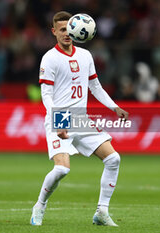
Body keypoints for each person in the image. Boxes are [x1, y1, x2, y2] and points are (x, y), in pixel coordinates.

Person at [30, 11, 128, 226]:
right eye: (62, 29)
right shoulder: (50, 58)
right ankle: (40, 205)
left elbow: (95, 87)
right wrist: (59, 121)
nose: (67, 33)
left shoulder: (85, 56)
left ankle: (102, 212)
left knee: (113, 159)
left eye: (70, 29)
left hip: (80, 119)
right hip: (61, 117)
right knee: (62, 169)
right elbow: (46, 95)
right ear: (53, 31)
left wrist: (114, 107)